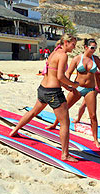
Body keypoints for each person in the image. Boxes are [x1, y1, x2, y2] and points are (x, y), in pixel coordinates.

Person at [10, 34, 79, 162]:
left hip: (42, 89)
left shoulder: (55, 52)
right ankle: (65, 154)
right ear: (66, 42)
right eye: (73, 44)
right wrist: (73, 84)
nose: (74, 47)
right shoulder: (63, 55)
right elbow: (60, 76)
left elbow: (51, 73)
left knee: (33, 112)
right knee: (65, 122)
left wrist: (66, 87)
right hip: (53, 92)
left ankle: (14, 130)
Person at [47, 38, 100, 148]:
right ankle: (55, 124)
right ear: (86, 47)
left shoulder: (96, 59)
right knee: (65, 108)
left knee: (93, 115)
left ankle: (95, 139)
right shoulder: (77, 58)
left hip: (90, 89)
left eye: (95, 48)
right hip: (77, 87)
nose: (94, 50)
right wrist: (68, 86)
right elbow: (68, 72)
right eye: (92, 48)